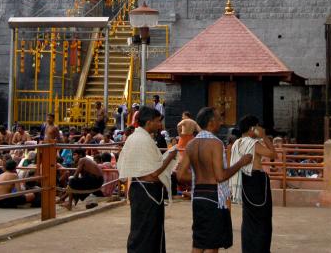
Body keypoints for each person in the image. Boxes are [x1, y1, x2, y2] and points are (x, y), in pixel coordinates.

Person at [176, 107, 251, 253]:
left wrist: (199, 177)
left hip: (197, 195)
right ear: (211, 122)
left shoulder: (191, 144)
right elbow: (220, 176)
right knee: (212, 244)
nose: (221, 122)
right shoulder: (215, 143)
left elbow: (179, 175)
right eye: (219, 119)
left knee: (198, 242)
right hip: (214, 197)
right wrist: (241, 162)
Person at [117, 106, 178, 253]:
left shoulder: (136, 138)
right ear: (149, 122)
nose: (160, 125)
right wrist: (170, 156)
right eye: (157, 121)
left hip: (142, 191)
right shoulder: (142, 140)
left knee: (143, 231)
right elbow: (152, 174)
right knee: (147, 234)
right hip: (147, 192)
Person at [229, 115, 276, 253]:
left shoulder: (237, 143)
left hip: (244, 181)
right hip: (257, 181)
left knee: (249, 219)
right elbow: (274, 155)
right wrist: (265, 137)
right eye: (258, 126)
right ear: (252, 129)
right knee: (263, 220)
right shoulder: (252, 143)